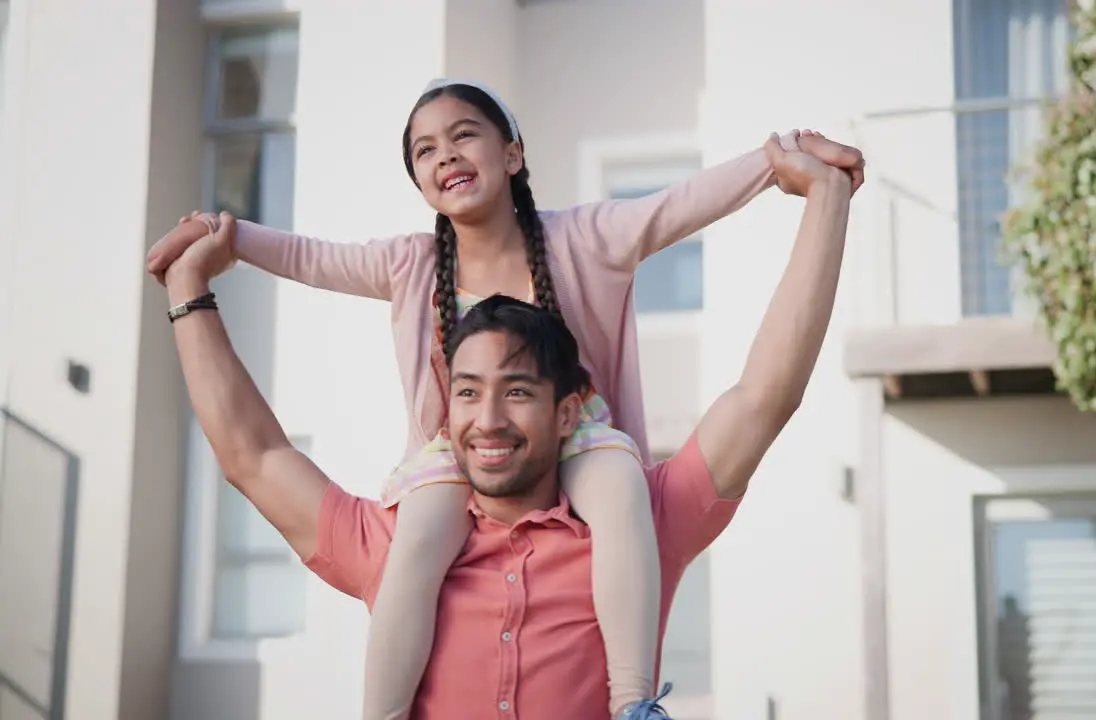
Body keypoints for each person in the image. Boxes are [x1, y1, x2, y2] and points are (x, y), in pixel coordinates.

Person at [147, 79, 864, 719]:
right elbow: (302, 282)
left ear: (513, 154)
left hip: (590, 436)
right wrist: (223, 240)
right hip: (441, 466)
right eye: (425, 150)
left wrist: (785, 162)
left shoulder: (584, 240)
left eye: (465, 135)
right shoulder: (412, 265)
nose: (447, 155)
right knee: (414, 550)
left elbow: (685, 215)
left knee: (618, 496)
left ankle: (632, 703)